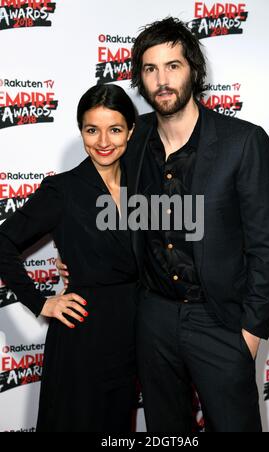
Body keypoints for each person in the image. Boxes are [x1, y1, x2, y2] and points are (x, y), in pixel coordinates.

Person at [58, 17, 269, 432]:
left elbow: (266, 246)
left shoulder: (243, 142)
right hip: (153, 317)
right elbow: (86, 191)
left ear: (193, 70)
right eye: (150, 69)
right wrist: (77, 252)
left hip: (220, 322)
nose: (162, 80)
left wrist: (250, 333)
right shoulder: (134, 136)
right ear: (140, 79)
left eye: (172, 66)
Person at [0, 84, 137, 432]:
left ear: (131, 131)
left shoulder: (143, 188)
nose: (103, 140)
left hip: (135, 338)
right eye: (92, 130)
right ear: (81, 132)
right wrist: (40, 301)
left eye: (115, 129)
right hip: (83, 340)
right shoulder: (63, 190)